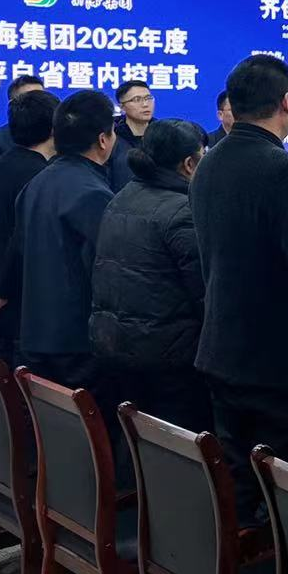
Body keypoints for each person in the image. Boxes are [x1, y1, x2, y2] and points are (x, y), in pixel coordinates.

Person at [193, 56, 288, 521]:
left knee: (239, 485)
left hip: (220, 348)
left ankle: (242, 564)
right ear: (286, 102)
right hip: (272, 360)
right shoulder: (286, 170)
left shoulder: (208, 162)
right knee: (286, 492)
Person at [0, 90, 118, 389]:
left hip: (34, 333)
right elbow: (106, 269)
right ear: (103, 139)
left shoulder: (37, 182)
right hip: (76, 341)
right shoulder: (93, 192)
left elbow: (16, 249)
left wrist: (0, 295)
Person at [89, 118, 211, 445]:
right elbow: (203, 292)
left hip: (116, 344)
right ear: (189, 164)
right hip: (168, 358)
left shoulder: (122, 196)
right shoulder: (182, 211)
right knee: (180, 448)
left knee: (137, 445)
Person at [0, 88, 59, 363]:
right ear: (54, 127)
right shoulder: (41, 176)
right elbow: (24, 241)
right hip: (27, 298)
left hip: (1, 291)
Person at [104, 78, 156, 192]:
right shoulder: (111, 137)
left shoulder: (162, 134)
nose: (145, 104)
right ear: (122, 107)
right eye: (137, 99)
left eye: (148, 98)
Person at [0, 73, 45, 160]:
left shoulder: (54, 136)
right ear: (13, 105)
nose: (38, 104)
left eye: (42, 98)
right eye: (30, 99)